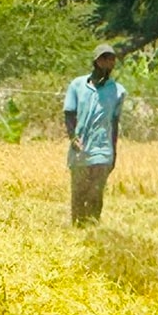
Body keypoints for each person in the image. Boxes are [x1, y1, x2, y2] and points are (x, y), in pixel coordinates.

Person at [63, 45, 126, 225]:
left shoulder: (118, 91)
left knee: (96, 194)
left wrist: (114, 152)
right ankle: (77, 228)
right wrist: (73, 138)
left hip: (103, 150)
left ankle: (92, 228)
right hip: (80, 149)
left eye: (112, 59)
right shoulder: (77, 85)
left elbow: (114, 123)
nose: (109, 62)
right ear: (96, 61)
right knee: (78, 193)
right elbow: (69, 114)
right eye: (105, 58)